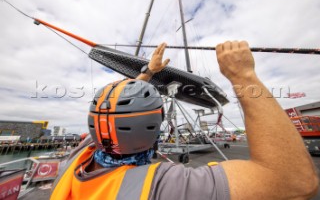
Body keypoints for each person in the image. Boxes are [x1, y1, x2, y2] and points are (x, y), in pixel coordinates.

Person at [50, 41, 318, 200]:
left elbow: (115, 110)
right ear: (156, 127)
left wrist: (148, 72)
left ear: (94, 123)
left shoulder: (79, 155)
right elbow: (295, 182)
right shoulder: (162, 186)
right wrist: (243, 75)